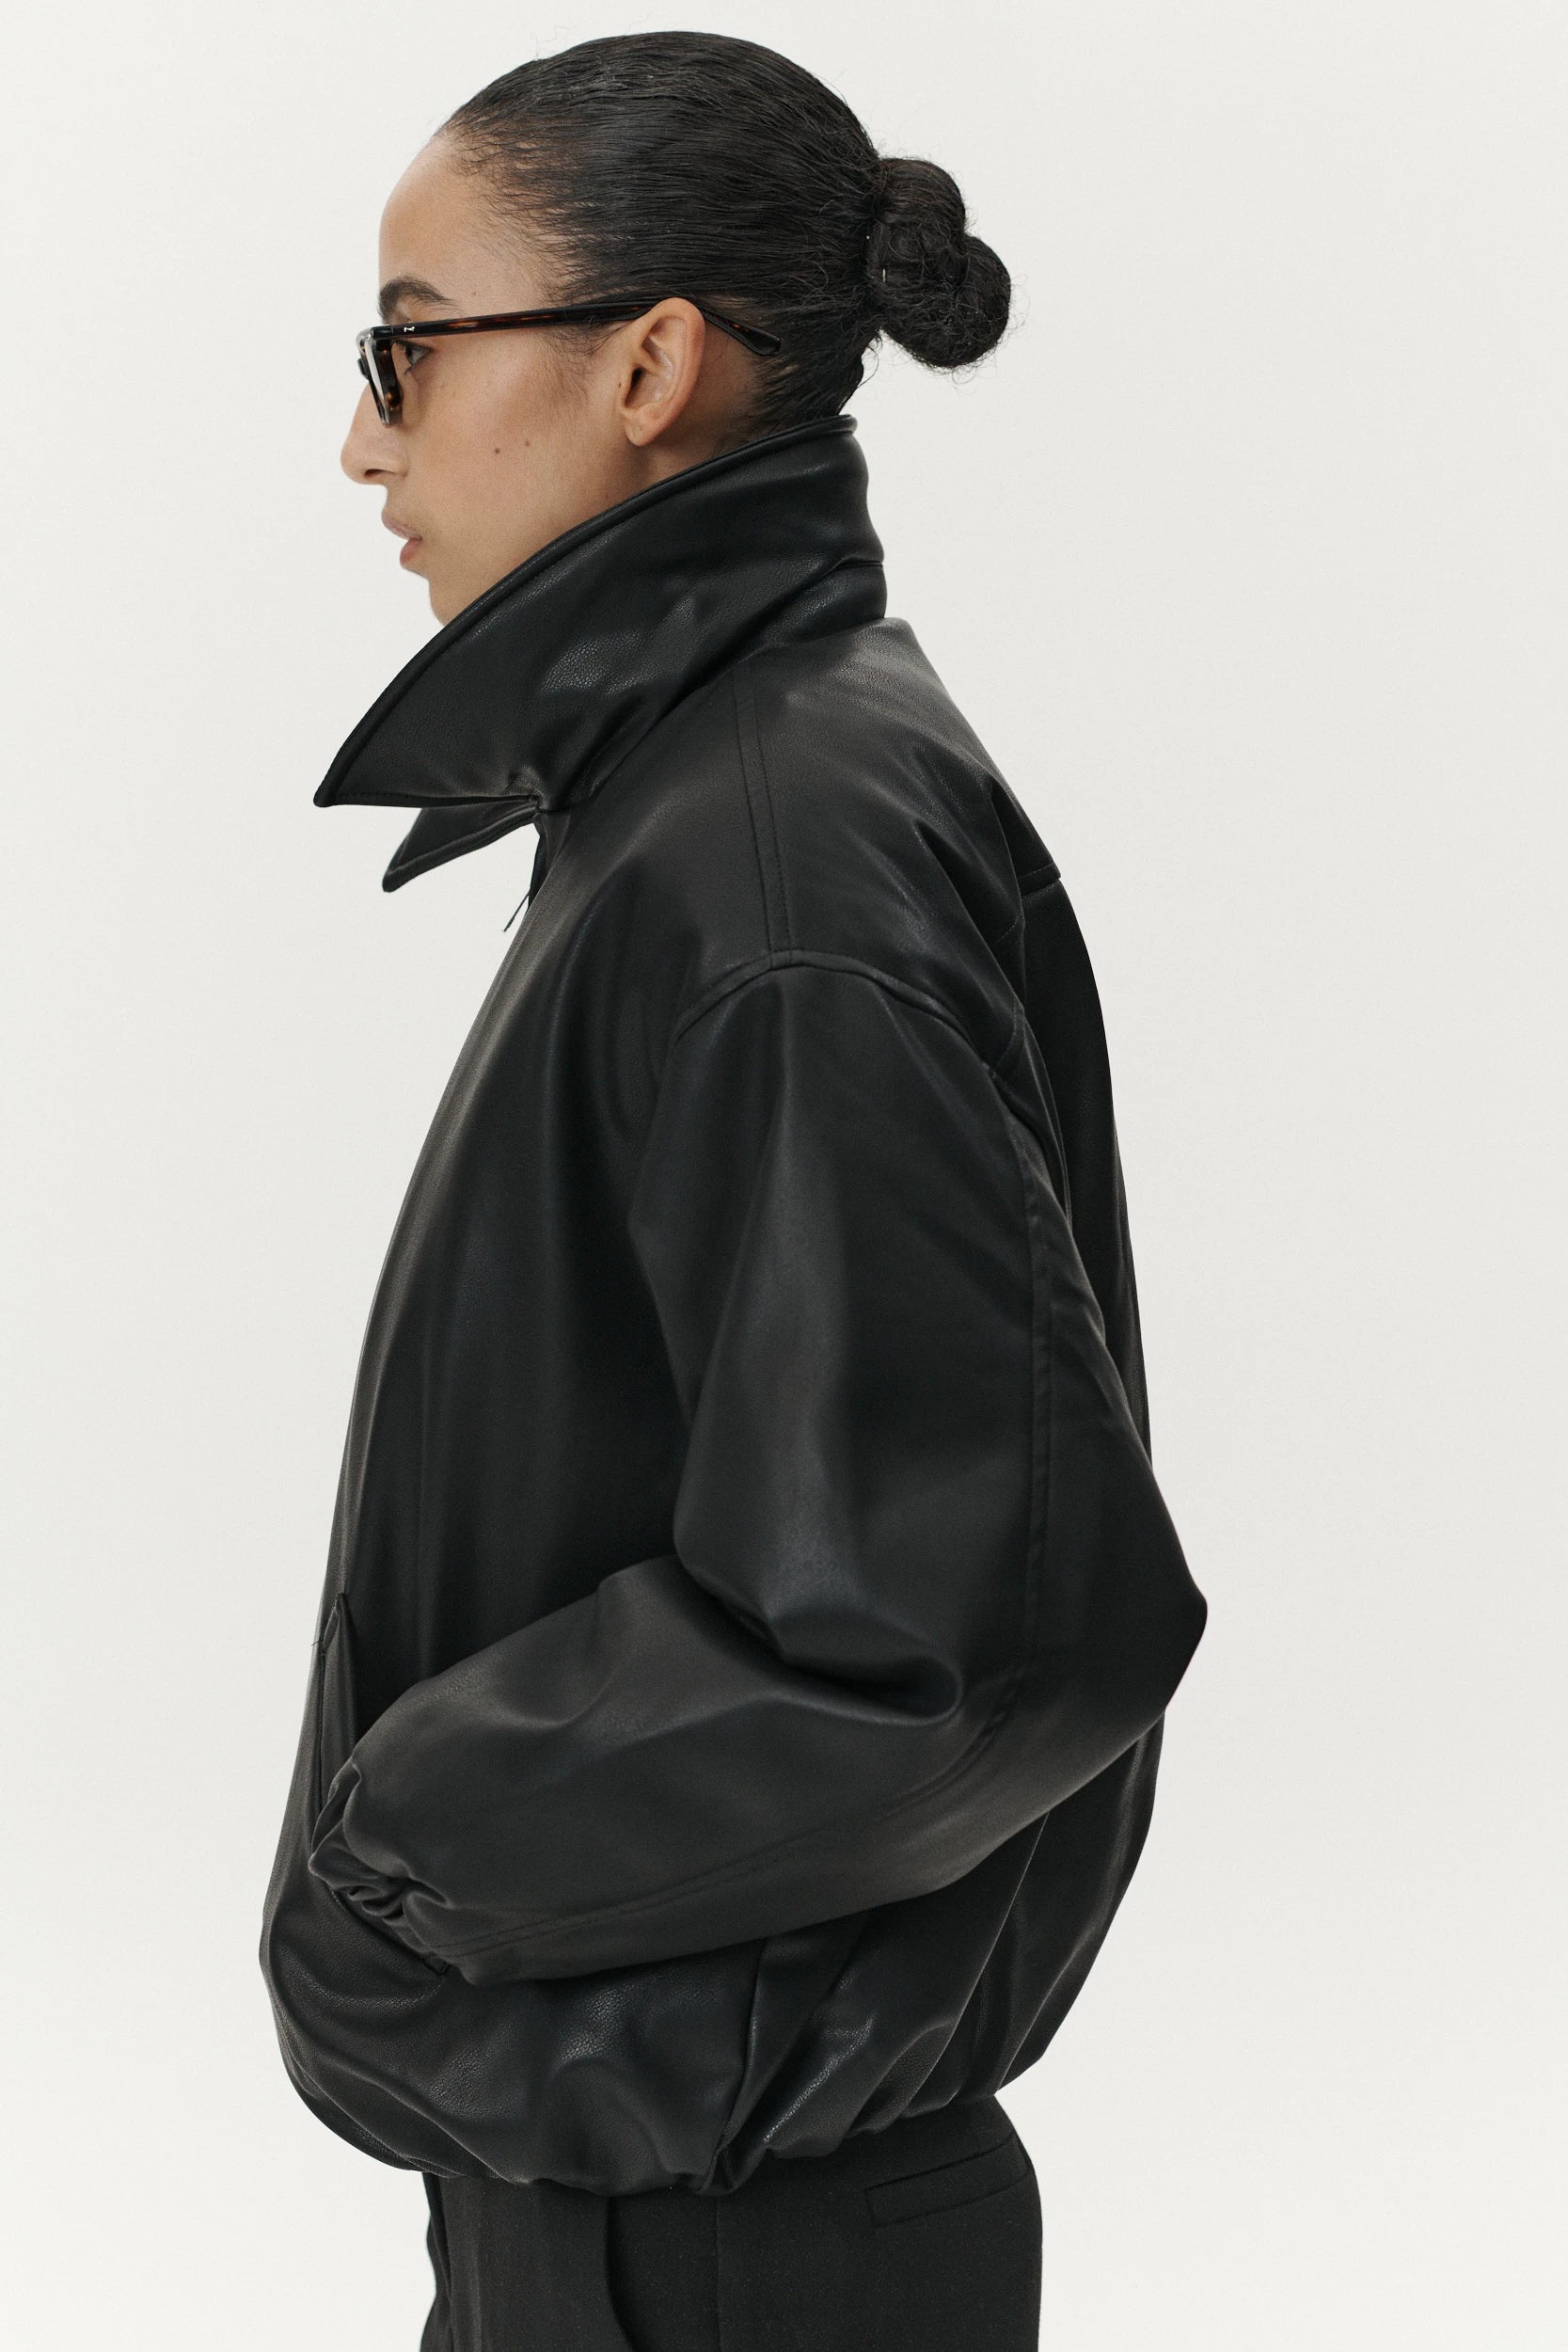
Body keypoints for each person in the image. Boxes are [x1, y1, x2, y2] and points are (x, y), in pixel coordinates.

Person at [259, 30, 1209, 2352]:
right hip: (658, 2205)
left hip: (730, 2252)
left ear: (647, 365)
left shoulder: (776, 856)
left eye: (406, 347)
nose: (364, 439)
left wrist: (402, 1840)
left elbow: (959, 1627)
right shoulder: (717, 798)